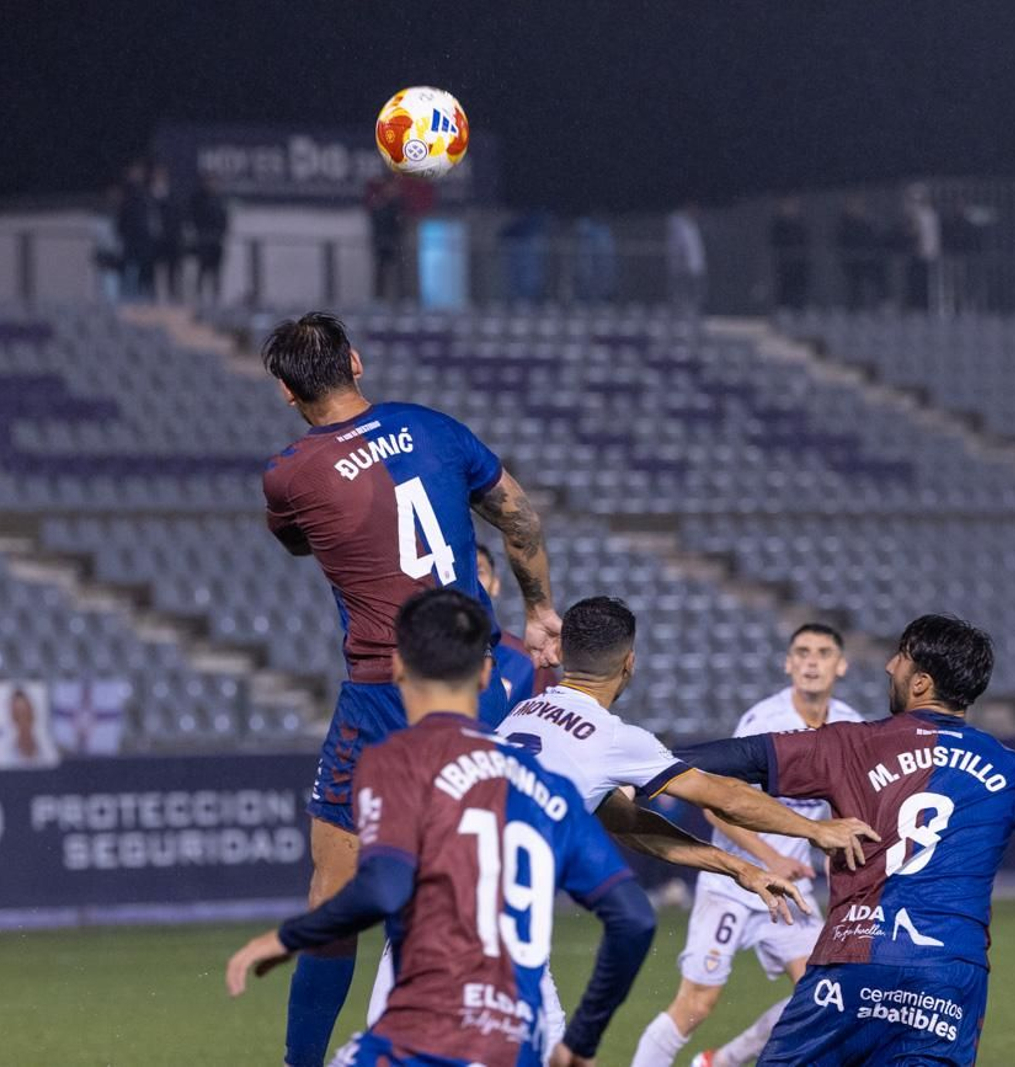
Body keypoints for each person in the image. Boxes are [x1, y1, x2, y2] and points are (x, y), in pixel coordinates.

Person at [261, 312, 563, 1067]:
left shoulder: (290, 471)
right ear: (357, 361)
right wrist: (539, 610)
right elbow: (520, 518)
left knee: (335, 896)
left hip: (385, 690)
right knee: (458, 878)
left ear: (286, 392)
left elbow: (297, 539)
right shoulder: (435, 427)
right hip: (480, 677)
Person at [366, 596, 841, 1057]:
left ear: (564, 653)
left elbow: (628, 823)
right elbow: (727, 795)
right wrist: (817, 831)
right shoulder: (613, 737)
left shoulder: (523, 714)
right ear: (629, 662)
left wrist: (738, 867)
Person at [677, 614, 1015, 1066]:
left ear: (920, 683)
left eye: (899, 657)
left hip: (854, 963)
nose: (888, 666)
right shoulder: (1013, 768)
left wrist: (647, 763)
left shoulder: (850, 744)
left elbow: (740, 757)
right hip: (948, 980)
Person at [227, 589, 655, 1067]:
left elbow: (384, 886)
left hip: (422, 1038)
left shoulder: (395, 763)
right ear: (488, 676)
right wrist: (583, 1039)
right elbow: (634, 919)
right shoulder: (547, 787)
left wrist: (290, 937)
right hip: (517, 1037)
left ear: (398, 669)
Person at [637, 623, 865, 1067]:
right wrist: (772, 858)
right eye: (802, 652)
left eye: (822, 653)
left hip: (789, 891)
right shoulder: (765, 724)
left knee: (823, 998)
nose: (811, 661)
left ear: (841, 666)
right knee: (695, 1006)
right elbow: (715, 806)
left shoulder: (851, 728)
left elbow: (844, 808)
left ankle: (722, 1061)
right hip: (733, 882)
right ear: (787, 663)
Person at [477, 544, 559, 706]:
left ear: (495, 585)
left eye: (479, 572)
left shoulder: (528, 664)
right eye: (460, 573)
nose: (471, 583)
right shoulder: (423, 653)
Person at [836, 196, 884, 312]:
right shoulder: (843, 225)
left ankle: (876, 308)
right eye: (853, 206)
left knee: (872, 284)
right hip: (851, 263)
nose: (857, 209)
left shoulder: (867, 225)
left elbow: (873, 241)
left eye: (859, 206)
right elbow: (842, 243)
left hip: (867, 262)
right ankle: (854, 309)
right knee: (854, 288)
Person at [116, 160, 155, 299]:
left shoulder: (146, 194)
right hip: (130, 238)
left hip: (143, 239)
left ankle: (143, 297)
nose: (137, 176)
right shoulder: (125, 194)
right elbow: (122, 218)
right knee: (130, 270)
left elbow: (149, 216)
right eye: (134, 173)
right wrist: (122, 235)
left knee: (144, 271)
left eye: (139, 173)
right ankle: (128, 298)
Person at [365, 174, 405, 302]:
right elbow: (378, 222)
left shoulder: (399, 204)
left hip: (396, 245)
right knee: (382, 272)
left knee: (397, 273)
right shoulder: (380, 204)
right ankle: (380, 299)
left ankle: (398, 298)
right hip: (383, 243)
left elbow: (401, 225)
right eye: (391, 187)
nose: (394, 190)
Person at [902, 183, 941, 314]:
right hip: (926, 254)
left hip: (923, 254)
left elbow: (914, 232)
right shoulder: (930, 214)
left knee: (921, 283)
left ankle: (921, 308)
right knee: (921, 283)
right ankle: (920, 307)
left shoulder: (924, 214)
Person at [190, 174, 229, 305]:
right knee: (202, 271)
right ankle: (199, 298)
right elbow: (195, 218)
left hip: (217, 241)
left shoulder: (220, 200)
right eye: (210, 181)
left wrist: (221, 234)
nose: (212, 185)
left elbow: (224, 219)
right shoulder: (198, 199)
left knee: (216, 273)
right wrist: (201, 234)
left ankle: (216, 299)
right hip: (203, 240)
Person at [149, 164, 185, 303]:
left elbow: (177, 215)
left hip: (171, 238)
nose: (159, 178)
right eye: (157, 175)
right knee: (153, 270)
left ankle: (172, 296)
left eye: (162, 175)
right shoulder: (148, 194)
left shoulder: (173, 194)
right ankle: (152, 297)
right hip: (153, 239)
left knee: (173, 269)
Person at [770, 198, 810, 310]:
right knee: (784, 288)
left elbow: (805, 242)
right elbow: (775, 242)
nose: (790, 209)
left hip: (799, 264)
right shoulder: (778, 226)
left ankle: (799, 309)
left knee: (799, 287)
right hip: (783, 264)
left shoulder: (801, 225)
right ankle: (784, 309)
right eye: (787, 206)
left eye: (792, 206)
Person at [666, 204, 707, 311]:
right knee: (682, 293)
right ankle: (682, 312)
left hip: (695, 267)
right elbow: (680, 247)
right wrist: (682, 264)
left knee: (695, 294)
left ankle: (692, 311)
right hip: (683, 268)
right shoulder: (679, 224)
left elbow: (694, 248)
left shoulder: (692, 226)